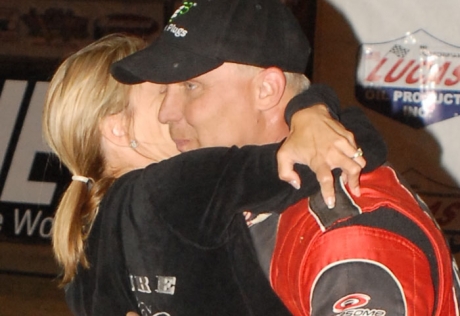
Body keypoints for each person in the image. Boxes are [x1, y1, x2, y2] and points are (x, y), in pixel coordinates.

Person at [111, 0, 460, 314]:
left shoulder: (346, 236)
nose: (166, 113)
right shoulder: (235, 203)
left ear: (267, 90)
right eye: (163, 91)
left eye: (190, 86)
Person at [43, 34, 386, 316]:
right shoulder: (178, 184)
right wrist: (312, 112)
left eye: (185, 89)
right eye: (164, 91)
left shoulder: (86, 241)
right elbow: (342, 152)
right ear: (118, 128)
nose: (174, 109)